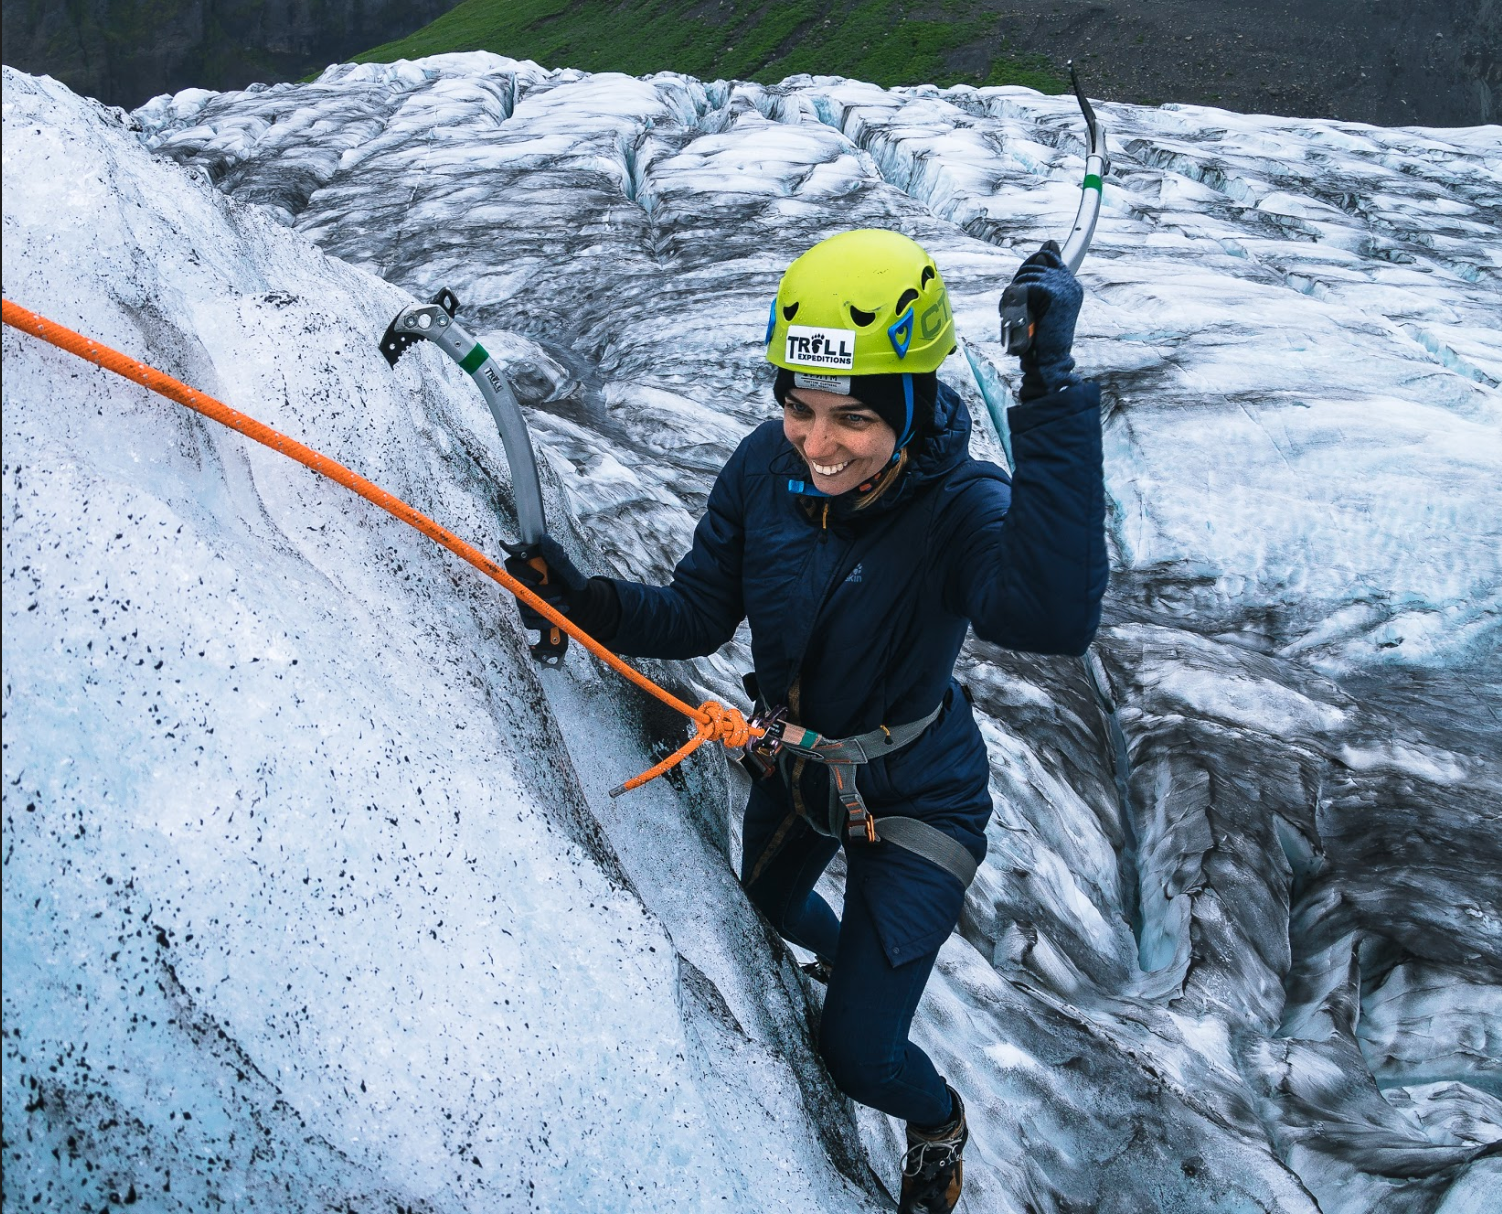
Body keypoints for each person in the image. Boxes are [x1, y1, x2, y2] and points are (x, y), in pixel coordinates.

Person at [507, 228, 1106, 1213]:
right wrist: (586, 599)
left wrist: (1047, 385)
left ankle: (937, 1120)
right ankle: (842, 951)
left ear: (909, 407)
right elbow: (699, 610)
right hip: (796, 772)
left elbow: (1048, 613)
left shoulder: (961, 504)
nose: (818, 444)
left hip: (917, 799)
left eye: (852, 418)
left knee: (858, 1053)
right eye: (797, 406)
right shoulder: (764, 470)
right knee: (769, 906)